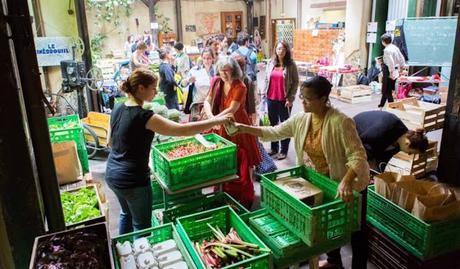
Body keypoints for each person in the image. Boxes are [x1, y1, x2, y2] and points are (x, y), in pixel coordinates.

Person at [234, 76, 370, 269]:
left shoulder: (341, 122)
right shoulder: (301, 119)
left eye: (308, 98)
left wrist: (347, 181)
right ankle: (334, 262)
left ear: (323, 99)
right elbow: (274, 132)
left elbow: (358, 156)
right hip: (320, 181)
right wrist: (244, 128)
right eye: (301, 97)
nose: (303, 102)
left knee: (355, 231)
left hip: (347, 184)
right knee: (329, 225)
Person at [105, 68, 231, 235]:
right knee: (141, 228)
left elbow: (110, 142)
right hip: (133, 179)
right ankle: (140, 258)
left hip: (112, 174)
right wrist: (217, 120)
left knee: (126, 214)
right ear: (141, 89)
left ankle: (124, 253)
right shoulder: (144, 116)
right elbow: (182, 130)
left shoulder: (118, 107)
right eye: (153, 88)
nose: (156, 91)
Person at [203, 56, 261, 209]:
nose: (224, 75)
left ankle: (243, 195)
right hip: (220, 123)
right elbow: (207, 101)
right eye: (221, 71)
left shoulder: (240, 86)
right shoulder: (216, 81)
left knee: (241, 160)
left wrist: (214, 119)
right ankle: (223, 192)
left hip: (237, 126)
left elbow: (232, 110)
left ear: (234, 70)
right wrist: (211, 117)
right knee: (224, 159)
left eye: (227, 71)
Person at [353, 110, 429, 171]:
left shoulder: (399, 144)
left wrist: (379, 174)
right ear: (407, 143)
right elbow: (360, 142)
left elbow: (383, 160)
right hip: (353, 132)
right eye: (410, 152)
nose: (408, 154)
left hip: (366, 143)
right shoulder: (387, 126)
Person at [263, 41, 299, 160]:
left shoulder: (291, 65)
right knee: (273, 125)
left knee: (285, 126)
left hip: (284, 100)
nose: (281, 51)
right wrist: (264, 93)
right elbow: (266, 79)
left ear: (286, 51)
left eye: (283, 49)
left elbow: (295, 82)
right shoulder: (271, 63)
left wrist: (291, 98)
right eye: (278, 49)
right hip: (271, 98)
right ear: (275, 50)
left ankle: (284, 151)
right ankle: (274, 148)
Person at [181, 48, 216, 120]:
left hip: (213, 103)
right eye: (204, 58)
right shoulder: (195, 70)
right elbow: (182, 84)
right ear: (202, 58)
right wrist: (188, 80)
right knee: (197, 127)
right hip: (197, 103)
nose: (206, 61)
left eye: (209, 58)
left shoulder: (217, 70)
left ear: (213, 58)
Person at [379, 33, 406, 108]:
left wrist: (391, 72)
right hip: (396, 70)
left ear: (383, 41)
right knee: (388, 88)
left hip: (389, 71)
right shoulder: (395, 47)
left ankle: (392, 106)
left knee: (387, 90)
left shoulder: (387, 50)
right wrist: (401, 68)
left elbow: (391, 62)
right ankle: (381, 104)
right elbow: (401, 58)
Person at [232, 54, 256, 124]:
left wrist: (252, 113)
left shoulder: (246, 80)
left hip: (243, 110)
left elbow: (250, 99)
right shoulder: (231, 79)